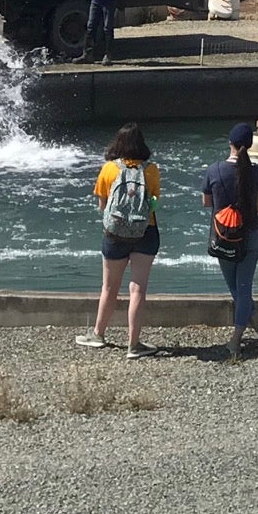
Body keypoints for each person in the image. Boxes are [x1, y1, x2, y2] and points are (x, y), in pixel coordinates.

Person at [77, 124, 160, 358]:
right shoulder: (151, 170)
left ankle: (98, 335)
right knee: (138, 290)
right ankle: (134, 345)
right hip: (146, 232)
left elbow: (103, 206)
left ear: (118, 144)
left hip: (114, 235)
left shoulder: (108, 169)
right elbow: (153, 203)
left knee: (109, 287)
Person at [202, 122, 258, 360]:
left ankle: (236, 340)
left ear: (229, 143)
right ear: (250, 145)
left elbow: (207, 203)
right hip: (251, 236)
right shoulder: (257, 172)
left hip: (224, 237)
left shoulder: (214, 170)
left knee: (236, 289)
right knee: (243, 288)